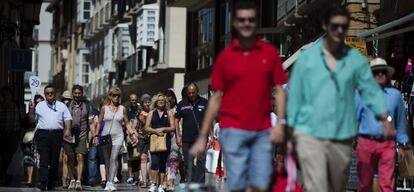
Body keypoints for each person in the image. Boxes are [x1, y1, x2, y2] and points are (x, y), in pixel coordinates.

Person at [286, 5, 395, 192]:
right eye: (334, 25)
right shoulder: (308, 59)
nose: (339, 31)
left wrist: (385, 117)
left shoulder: (354, 60)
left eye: (343, 27)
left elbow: (370, 90)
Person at [191, 1, 288, 191]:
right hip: (233, 130)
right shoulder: (225, 57)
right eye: (242, 20)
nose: (246, 24)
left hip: (262, 131)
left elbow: (279, 90)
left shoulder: (270, 53)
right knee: (238, 184)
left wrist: (281, 124)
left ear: (256, 22)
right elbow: (216, 97)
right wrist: (204, 134)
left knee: (261, 184)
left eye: (251, 20)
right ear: (234, 23)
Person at [355, 58, 410, 192]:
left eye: (383, 72)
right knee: (364, 184)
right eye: (376, 72)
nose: (380, 74)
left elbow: (400, 121)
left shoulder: (395, 95)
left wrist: (402, 144)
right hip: (365, 143)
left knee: (386, 184)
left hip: (387, 144)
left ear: (387, 74)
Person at [28, 85, 72, 191]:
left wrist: (68, 129)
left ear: (55, 93)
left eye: (52, 92)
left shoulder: (61, 106)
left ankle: (52, 182)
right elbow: (32, 120)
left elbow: (67, 118)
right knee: (44, 159)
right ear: (45, 94)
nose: (50, 94)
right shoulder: (39, 106)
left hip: (56, 135)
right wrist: (31, 109)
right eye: (47, 93)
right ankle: (43, 182)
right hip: (43, 134)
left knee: (54, 160)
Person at [97, 86, 138, 191]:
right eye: (114, 95)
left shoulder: (123, 109)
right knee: (107, 160)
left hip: (118, 136)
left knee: (113, 158)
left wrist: (132, 133)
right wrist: (95, 136)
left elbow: (127, 123)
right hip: (106, 136)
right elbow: (99, 122)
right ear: (110, 96)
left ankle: (110, 182)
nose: (116, 97)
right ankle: (107, 181)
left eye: (118, 96)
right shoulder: (104, 108)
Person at [175, 83, 208, 183]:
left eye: (193, 92)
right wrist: (177, 135)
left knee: (201, 161)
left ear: (197, 91)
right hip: (187, 138)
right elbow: (176, 119)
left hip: (201, 138)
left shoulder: (204, 102)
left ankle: (200, 183)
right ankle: (191, 181)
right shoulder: (182, 104)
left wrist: (210, 136)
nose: (191, 95)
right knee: (188, 162)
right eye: (189, 93)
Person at [63, 85, 94, 190]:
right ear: (72, 94)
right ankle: (72, 178)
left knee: (80, 156)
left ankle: (78, 181)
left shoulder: (87, 106)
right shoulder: (66, 106)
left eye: (79, 93)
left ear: (82, 94)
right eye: (75, 93)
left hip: (82, 135)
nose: (77, 95)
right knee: (70, 158)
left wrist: (94, 135)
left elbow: (91, 123)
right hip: (69, 136)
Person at [145, 93, 175, 192]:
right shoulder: (151, 113)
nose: (161, 101)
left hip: (166, 141)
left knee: (163, 164)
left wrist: (164, 128)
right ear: (155, 102)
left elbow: (173, 127)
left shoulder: (169, 112)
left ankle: (161, 185)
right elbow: (146, 127)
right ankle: (153, 184)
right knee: (154, 162)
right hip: (154, 141)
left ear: (165, 101)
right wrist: (156, 131)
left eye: (162, 100)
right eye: (159, 100)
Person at [0, 85, 24, 186]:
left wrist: (20, 136)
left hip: (13, 136)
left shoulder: (17, 106)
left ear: (11, 95)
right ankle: (4, 176)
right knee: (3, 157)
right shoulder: (0, 106)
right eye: (5, 94)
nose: (7, 96)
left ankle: (9, 177)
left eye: (8, 94)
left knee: (11, 157)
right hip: (2, 135)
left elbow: (22, 121)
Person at [22, 94, 44, 187]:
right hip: (30, 140)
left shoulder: (46, 114)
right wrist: (31, 110)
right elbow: (28, 122)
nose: (38, 104)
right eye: (37, 102)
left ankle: (38, 179)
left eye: (40, 102)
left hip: (42, 139)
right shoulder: (30, 114)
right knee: (29, 159)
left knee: (40, 161)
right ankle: (30, 179)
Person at [135, 94, 152, 188]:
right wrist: (136, 134)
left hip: (152, 138)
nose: (147, 103)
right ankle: (144, 181)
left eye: (149, 101)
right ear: (142, 103)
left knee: (152, 159)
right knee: (143, 159)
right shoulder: (140, 114)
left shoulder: (153, 113)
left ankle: (152, 179)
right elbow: (135, 126)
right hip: (142, 139)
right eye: (145, 102)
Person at [165, 89, 180, 190]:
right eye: (168, 101)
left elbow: (180, 124)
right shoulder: (163, 110)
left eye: (171, 100)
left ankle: (172, 182)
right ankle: (165, 181)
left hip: (175, 137)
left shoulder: (177, 109)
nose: (170, 102)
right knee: (165, 161)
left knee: (173, 160)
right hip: (165, 138)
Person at [126, 93, 141, 185]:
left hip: (138, 134)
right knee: (130, 156)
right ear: (130, 100)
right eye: (132, 100)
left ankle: (138, 175)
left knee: (138, 155)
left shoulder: (139, 109)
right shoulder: (127, 110)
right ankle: (130, 175)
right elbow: (126, 122)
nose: (134, 101)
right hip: (129, 134)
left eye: (135, 99)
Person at [60, 90, 72, 188]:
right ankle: (60, 177)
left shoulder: (72, 109)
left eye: (68, 99)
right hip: (58, 136)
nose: (66, 101)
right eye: (65, 99)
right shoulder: (59, 108)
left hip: (69, 137)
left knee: (66, 159)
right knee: (60, 160)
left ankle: (66, 179)